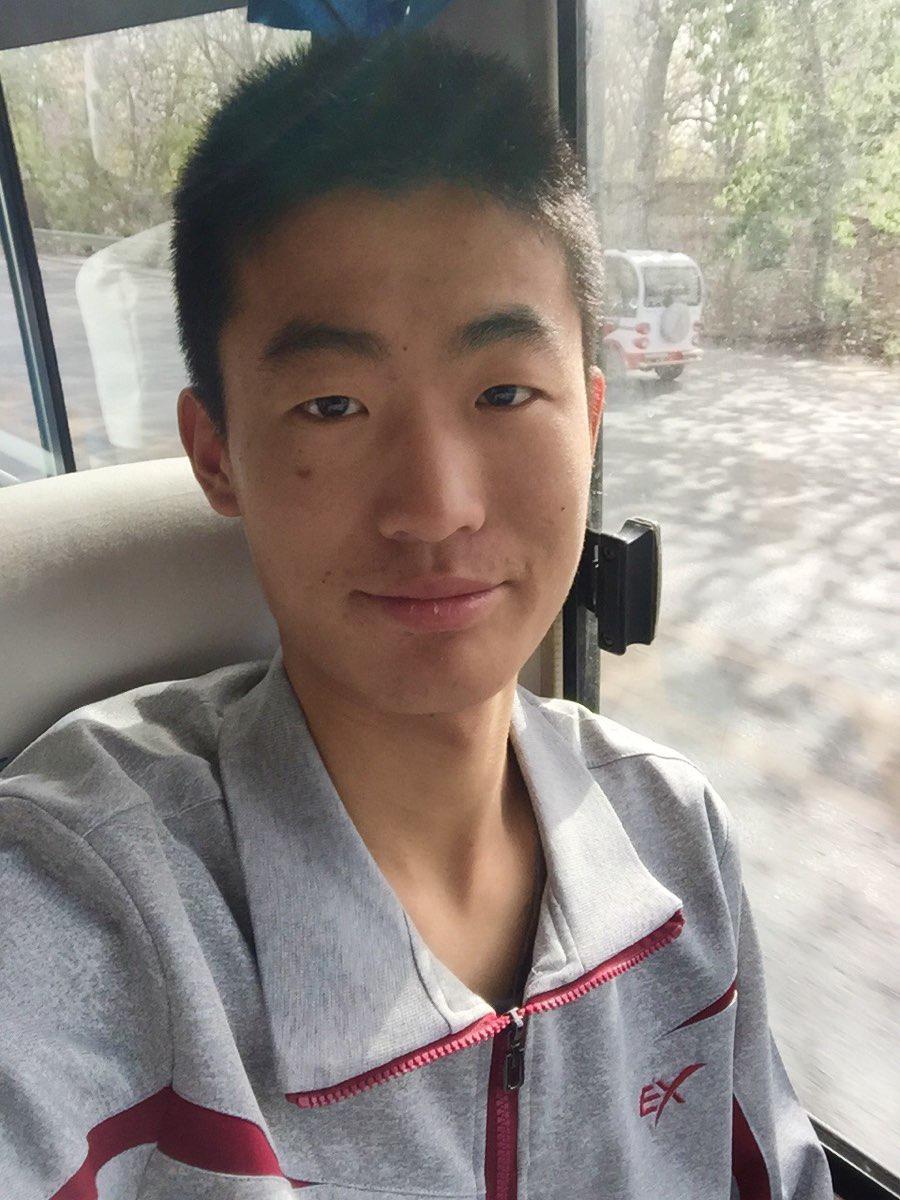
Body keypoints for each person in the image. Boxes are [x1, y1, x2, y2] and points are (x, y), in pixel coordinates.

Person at [0, 32, 832, 1200]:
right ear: (216, 453)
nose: (437, 508)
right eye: (333, 406)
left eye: (506, 392)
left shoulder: (674, 836)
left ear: (591, 418)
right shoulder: (93, 899)